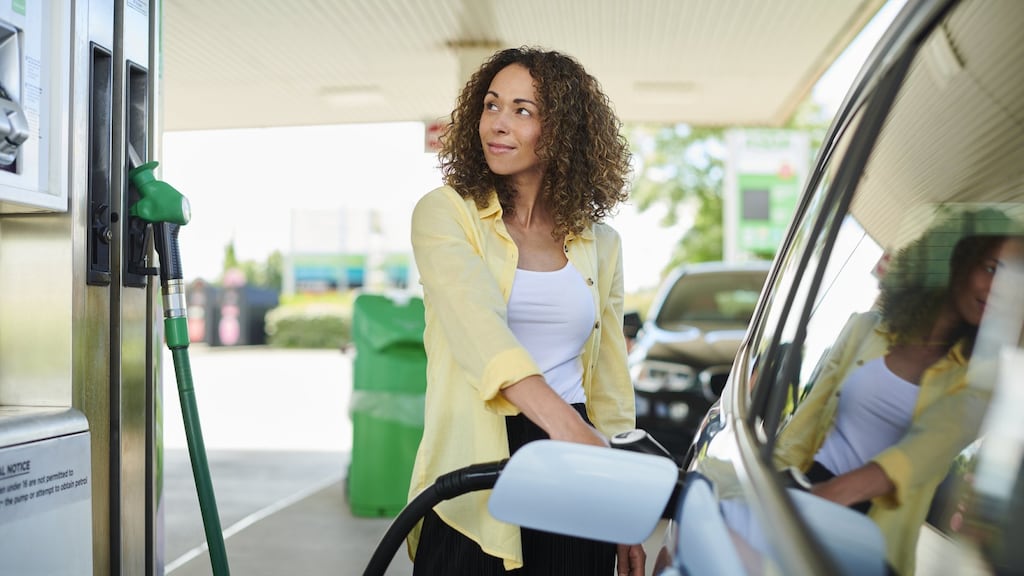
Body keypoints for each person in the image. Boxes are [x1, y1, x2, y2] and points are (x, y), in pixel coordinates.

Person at [406, 46, 644, 575]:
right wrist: (566, 427)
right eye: (491, 106)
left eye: (523, 110)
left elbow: (609, 381)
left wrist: (624, 501)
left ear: (562, 131)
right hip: (476, 462)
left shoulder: (600, 243)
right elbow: (476, 326)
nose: (498, 124)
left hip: (574, 465)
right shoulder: (446, 215)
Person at [772, 210, 1024, 575]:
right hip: (805, 486)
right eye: (990, 268)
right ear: (956, 260)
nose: (1000, 290)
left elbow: (926, 447)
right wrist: (764, 486)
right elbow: (804, 423)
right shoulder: (864, 330)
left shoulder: (984, 379)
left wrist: (833, 496)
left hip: (872, 535)